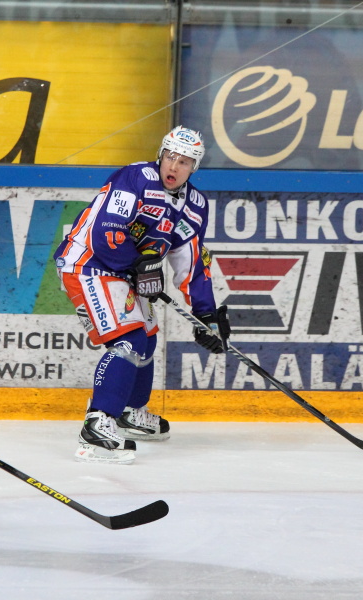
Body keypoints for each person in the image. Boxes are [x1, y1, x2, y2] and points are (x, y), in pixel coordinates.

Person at [53, 126, 225, 464]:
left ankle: (129, 412)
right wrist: (139, 265)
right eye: (171, 156)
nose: (175, 166)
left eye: (186, 161)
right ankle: (98, 423)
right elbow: (108, 232)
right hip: (89, 263)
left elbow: (189, 259)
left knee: (146, 337)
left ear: (195, 168)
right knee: (128, 339)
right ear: (161, 154)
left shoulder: (195, 205)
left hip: (127, 273)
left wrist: (206, 314)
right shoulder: (136, 177)